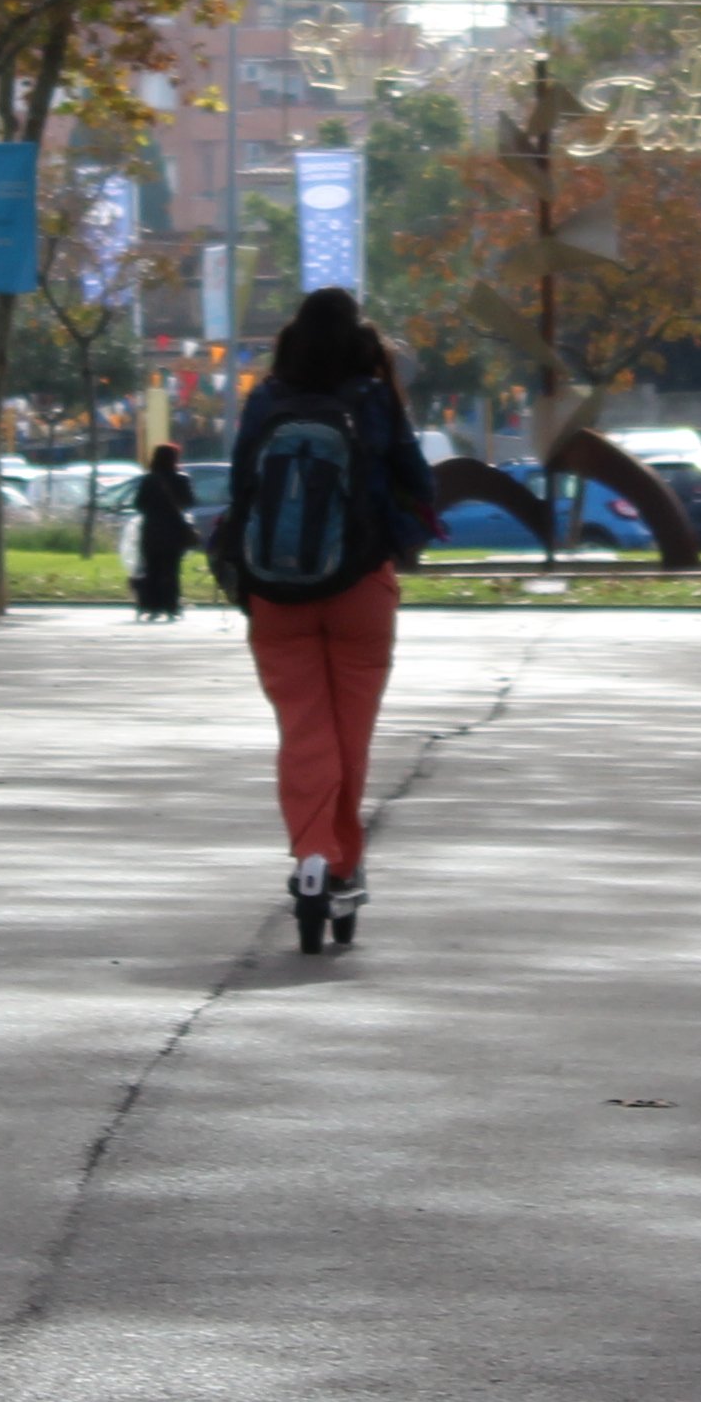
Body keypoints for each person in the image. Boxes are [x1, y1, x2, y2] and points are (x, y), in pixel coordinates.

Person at [214, 290, 437, 952]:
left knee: (304, 729)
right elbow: (419, 486)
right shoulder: (373, 399)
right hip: (362, 587)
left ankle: (313, 858)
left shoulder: (266, 400)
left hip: (275, 593)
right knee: (350, 735)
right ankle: (341, 864)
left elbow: (239, 491)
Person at [128, 445, 197, 622]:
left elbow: (139, 505)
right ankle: (172, 606)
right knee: (172, 570)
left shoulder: (148, 480)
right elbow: (189, 502)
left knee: (152, 569)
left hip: (151, 531)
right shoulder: (182, 479)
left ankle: (152, 606)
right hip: (174, 532)